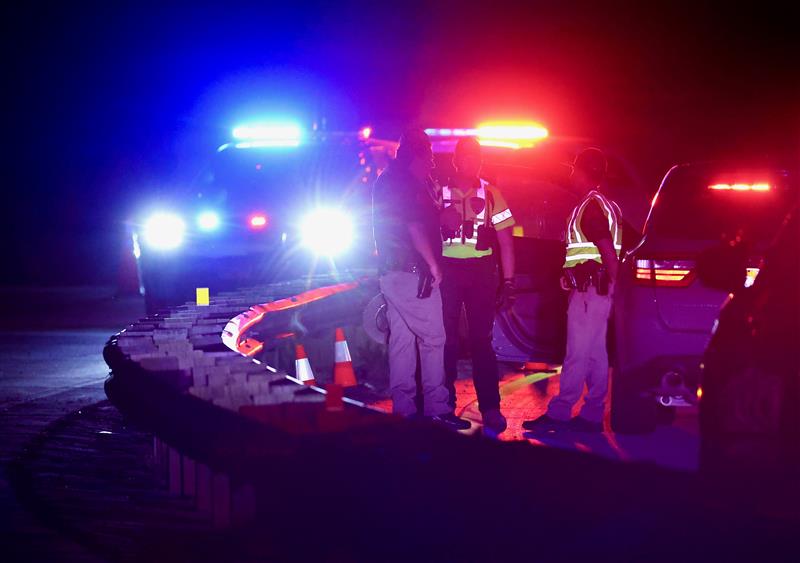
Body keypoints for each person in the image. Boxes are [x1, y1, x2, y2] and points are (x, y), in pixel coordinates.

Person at [372, 128, 470, 430]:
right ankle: (437, 408)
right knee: (434, 339)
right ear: (420, 154)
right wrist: (433, 264)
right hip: (415, 273)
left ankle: (403, 409)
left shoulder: (386, 179)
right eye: (428, 156)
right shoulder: (409, 183)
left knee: (402, 341)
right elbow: (414, 227)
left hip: (390, 273)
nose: (431, 163)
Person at [523, 147, 622, 433]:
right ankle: (592, 415)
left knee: (577, 353)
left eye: (574, 168)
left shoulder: (590, 206)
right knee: (595, 355)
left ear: (582, 172)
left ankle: (560, 413)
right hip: (597, 291)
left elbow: (605, 250)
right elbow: (599, 252)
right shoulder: (606, 204)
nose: (570, 173)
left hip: (591, 292)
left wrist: (612, 290)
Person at [439, 137, 516, 434]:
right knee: (445, 340)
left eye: (477, 157)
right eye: (466, 157)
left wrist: (509, 282)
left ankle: (491, 408)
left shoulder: (493, 194)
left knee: (482, 342)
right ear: (457, 160)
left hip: (481, 272)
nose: (472, 162)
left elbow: (507, 241)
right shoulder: (439, 192)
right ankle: (443, 403)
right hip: (447, 270)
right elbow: (420, 227)